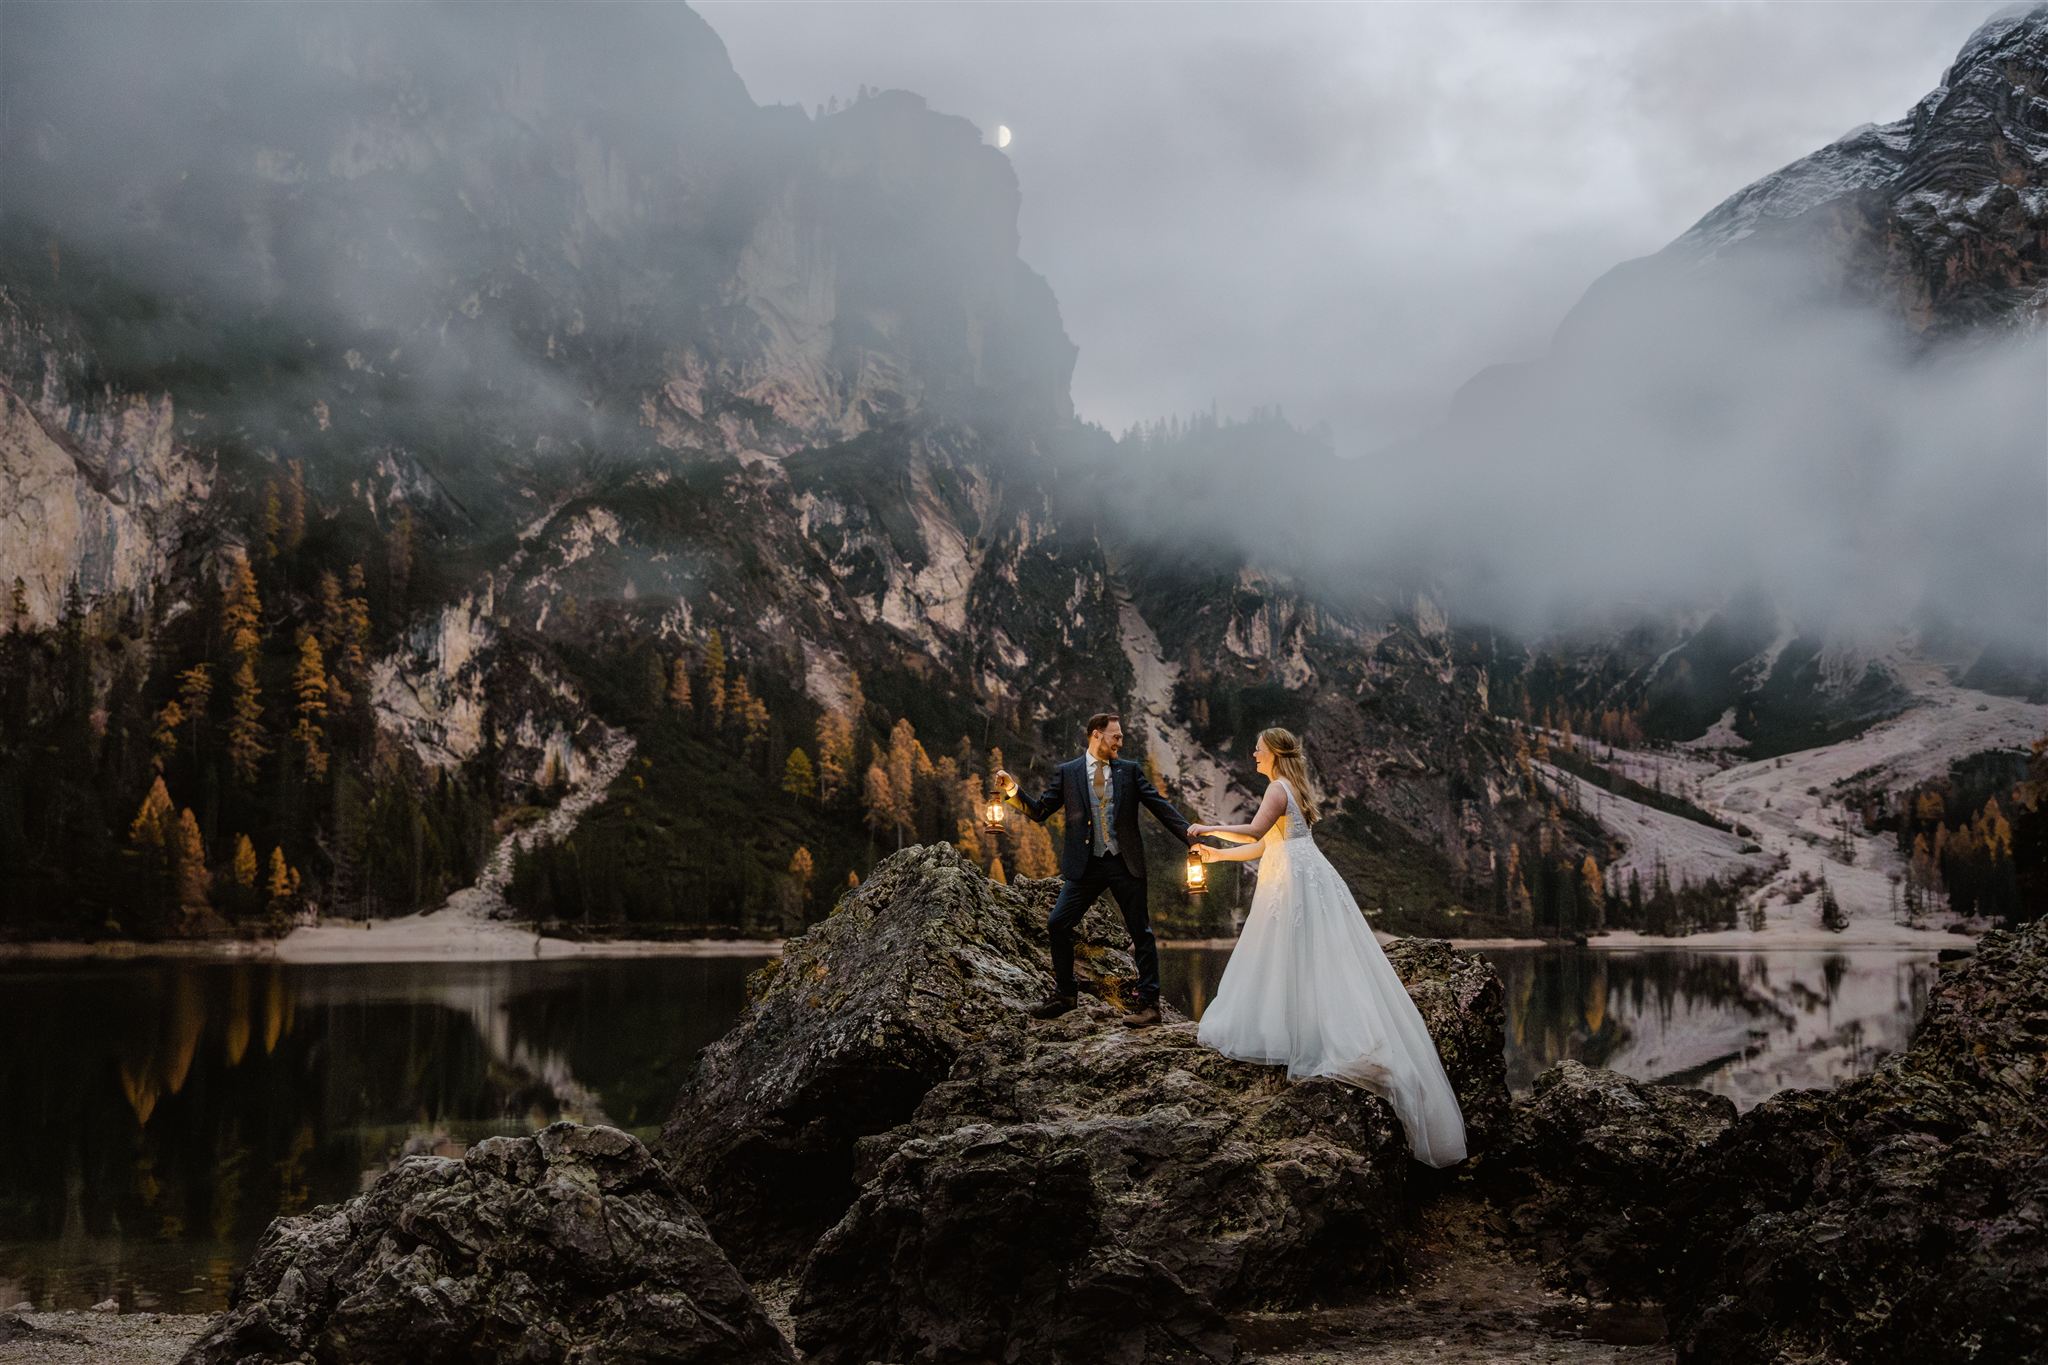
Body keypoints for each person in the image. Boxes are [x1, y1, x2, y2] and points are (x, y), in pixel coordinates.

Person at [1189, 727, 1468, 1166]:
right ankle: (1295, 1028)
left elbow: (1254, 830)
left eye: (1258, 748)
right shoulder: (1285, 787)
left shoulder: (1277, 790)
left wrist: (1210, 827)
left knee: (1293, 956)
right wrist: (1217, 855)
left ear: (1275, 753)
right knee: (1299, 958)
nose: (1253, 753)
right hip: (1297, 874)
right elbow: (1265, 845)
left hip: (1295, 881)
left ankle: (1302, 1034)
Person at [996, 712, 1196, 1028]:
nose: (1120, 741)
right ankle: (1065, 995)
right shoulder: (1068, 773)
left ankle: (1149, 1005)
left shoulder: (1129, 772)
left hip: (1124, 862)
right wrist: (1012, 791)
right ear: (1096, 735)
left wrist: (1190, 835)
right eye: (1115, 736)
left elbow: (1159, 806)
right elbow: (1039, 812)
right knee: (1058, 923)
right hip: (1086, 865)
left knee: (1140, 932)